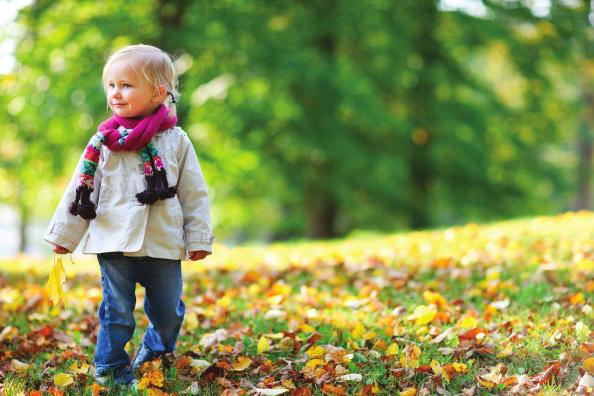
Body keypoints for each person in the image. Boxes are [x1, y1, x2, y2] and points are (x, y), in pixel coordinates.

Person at [43, 44, 214, 386]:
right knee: (117, 312)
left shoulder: (176, 141)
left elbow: (194, 193)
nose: (116, 93)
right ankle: (110, 367)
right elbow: (81, 190)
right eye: (111, 85)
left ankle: (155, 349)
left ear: (158, 92)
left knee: (167, 312)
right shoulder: (104, 142)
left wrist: (198, 238)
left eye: (126, 85)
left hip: (161, 241)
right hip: (113, 240)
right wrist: (65, 237)